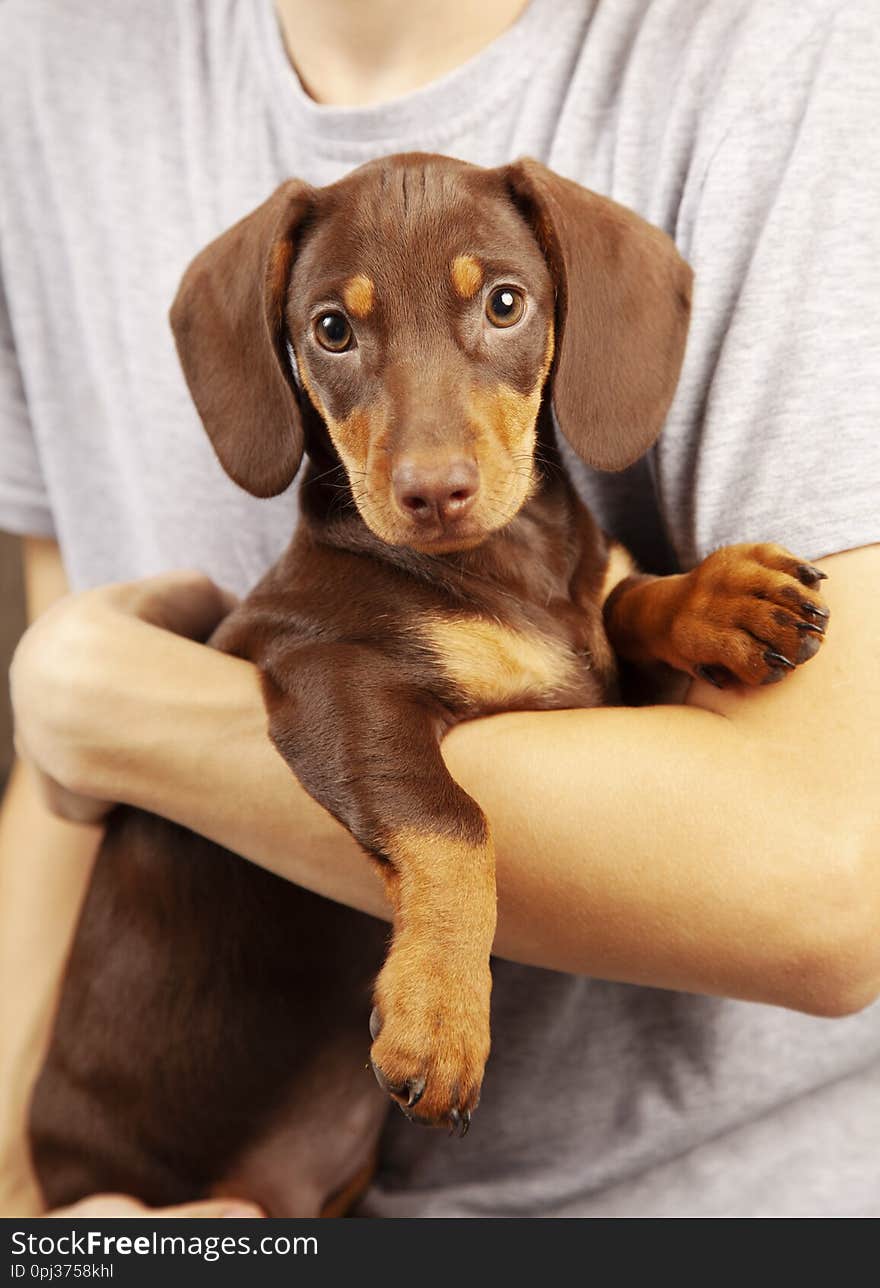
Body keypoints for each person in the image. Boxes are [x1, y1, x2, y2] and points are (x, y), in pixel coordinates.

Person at [1, 0, 878, 1220]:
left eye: (498, 309)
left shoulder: (791, 54)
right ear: (282, 358)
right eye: (336, 332)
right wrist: (24, 1205)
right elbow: (80, 796)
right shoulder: (47, 54)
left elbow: (831, 892)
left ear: (570, 300)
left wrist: (640, 615)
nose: (429, 462)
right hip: (154, 1172)